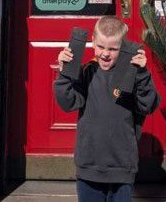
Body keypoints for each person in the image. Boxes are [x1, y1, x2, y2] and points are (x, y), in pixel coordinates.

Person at [54, 15, 160, 202]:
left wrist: (142, 74)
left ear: (124, 47)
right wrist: (65, 73)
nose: (105, 53)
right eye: (101, 46)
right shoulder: (87, 72)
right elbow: (68, 102)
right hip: (89, 166)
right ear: (93, 42)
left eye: (113, 49)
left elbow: (147, 105)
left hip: (121, 166)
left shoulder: (131, 75)